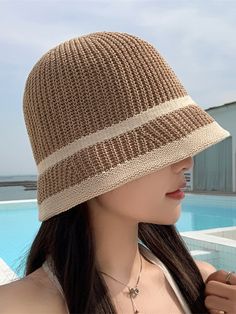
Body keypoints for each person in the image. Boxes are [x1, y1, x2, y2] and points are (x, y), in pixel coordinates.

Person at [0, 31, 235, 314]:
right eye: (157, 146)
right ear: (91, 164)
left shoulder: (201, 283)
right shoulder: (16, 306)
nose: (186, 162)